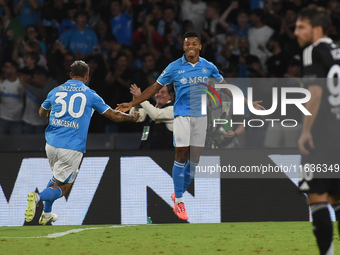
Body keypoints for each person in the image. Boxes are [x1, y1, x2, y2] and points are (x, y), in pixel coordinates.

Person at [117, 30, 264, 220]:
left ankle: (178, 191)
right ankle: (179, 201)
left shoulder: (208, 67)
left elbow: (226, 87)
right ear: (184, 46)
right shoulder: (174, 67)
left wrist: (247, 103)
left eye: (194, 43)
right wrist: (132, 103)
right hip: (182, 116)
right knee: (181, 155)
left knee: (195, 160)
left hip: (201, 117)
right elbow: (154, 87)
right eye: (187, 44)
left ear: (200, 46)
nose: (191, 47)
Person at [24, 60, 138, 225]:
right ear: (87, 76)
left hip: (51, 144)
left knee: (57, 178)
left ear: (70, 75)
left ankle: (46, 214)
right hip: (71, 147)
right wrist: (131, 117)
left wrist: (54, 114)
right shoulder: (90, 94)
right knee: (63, 187)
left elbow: (42, 112)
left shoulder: (55, 91)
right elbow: (114, 115)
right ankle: (38, 197)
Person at [295, 6, 340, 255]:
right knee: (337, 199)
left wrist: (306, 131)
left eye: (301, 26)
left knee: (317, 198)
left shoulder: (313, 51)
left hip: (322, 139)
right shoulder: (338, 52)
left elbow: (316, 92)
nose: (295, 32)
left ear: (317, 28)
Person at [130, 84, 174, 149]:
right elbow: (133, 117)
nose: (159, 95)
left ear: (170, 96)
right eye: (157, 92)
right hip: (146, 153)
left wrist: (141, 98)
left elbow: (155, 115)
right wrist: (136, 103)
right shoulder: (150, 109)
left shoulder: (173, 109)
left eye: (163, 92)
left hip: (165, 155)